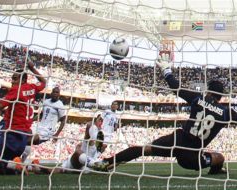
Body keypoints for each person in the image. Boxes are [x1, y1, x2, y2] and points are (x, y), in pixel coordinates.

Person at [93, 53, 237, 174]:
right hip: (191, 156)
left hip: (176, 141)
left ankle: (107, 162)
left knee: (143, 149)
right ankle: (215, 171)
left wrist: (166, 70)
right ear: (221, 96)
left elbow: (176, 87)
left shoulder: (198, 98)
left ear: (208, 91)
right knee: (219, 157)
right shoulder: (226, 113)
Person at [0, 61, 46, 174]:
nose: (12, 81)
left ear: (23, 80)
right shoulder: (32, 88)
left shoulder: (16, 90)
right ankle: (25, 167)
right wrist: (32, 69)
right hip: (22, 137)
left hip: (12, 134)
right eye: (12, 78)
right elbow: (43, 82)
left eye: (15, 79)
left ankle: (16, 165)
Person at [31, 114, 104, 174]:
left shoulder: (101, 145)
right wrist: (95, 124)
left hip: (83, 167)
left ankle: (32, 167)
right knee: (77, 154)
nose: (100, 122)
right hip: (75, 163)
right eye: (99, 120)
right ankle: (33, 167)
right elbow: (88, 125)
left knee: (59, 169)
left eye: (102, 121)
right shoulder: (88, 140)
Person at [21, 86, 67, 162]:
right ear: (51, 93)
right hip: (39, 126)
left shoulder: (60, 105)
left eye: (57, 92)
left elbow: (63, 120)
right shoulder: (46, 102)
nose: (55, 94)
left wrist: (57, 134)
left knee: (29, 140)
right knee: (24, 135)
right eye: (54, 92)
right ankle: (22, 160)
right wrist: (31, 120)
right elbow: (41, 114)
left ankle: (16, 156)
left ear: (59, 95)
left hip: (47, 131)